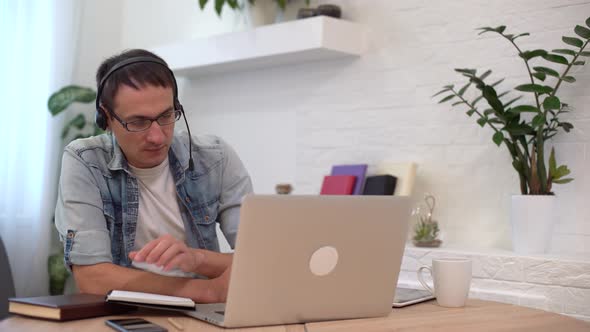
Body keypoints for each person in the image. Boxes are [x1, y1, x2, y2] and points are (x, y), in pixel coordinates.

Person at [54, 49, 253, 303]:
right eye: (138, 122)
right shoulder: (85, 161)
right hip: (121, 314)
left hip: (203, 317)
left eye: (166, 116)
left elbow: (258, 260)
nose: (157, 137)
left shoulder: (214, 158)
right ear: (106, 118)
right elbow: (92, 277)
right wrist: (207, 291)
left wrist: (197, 259)